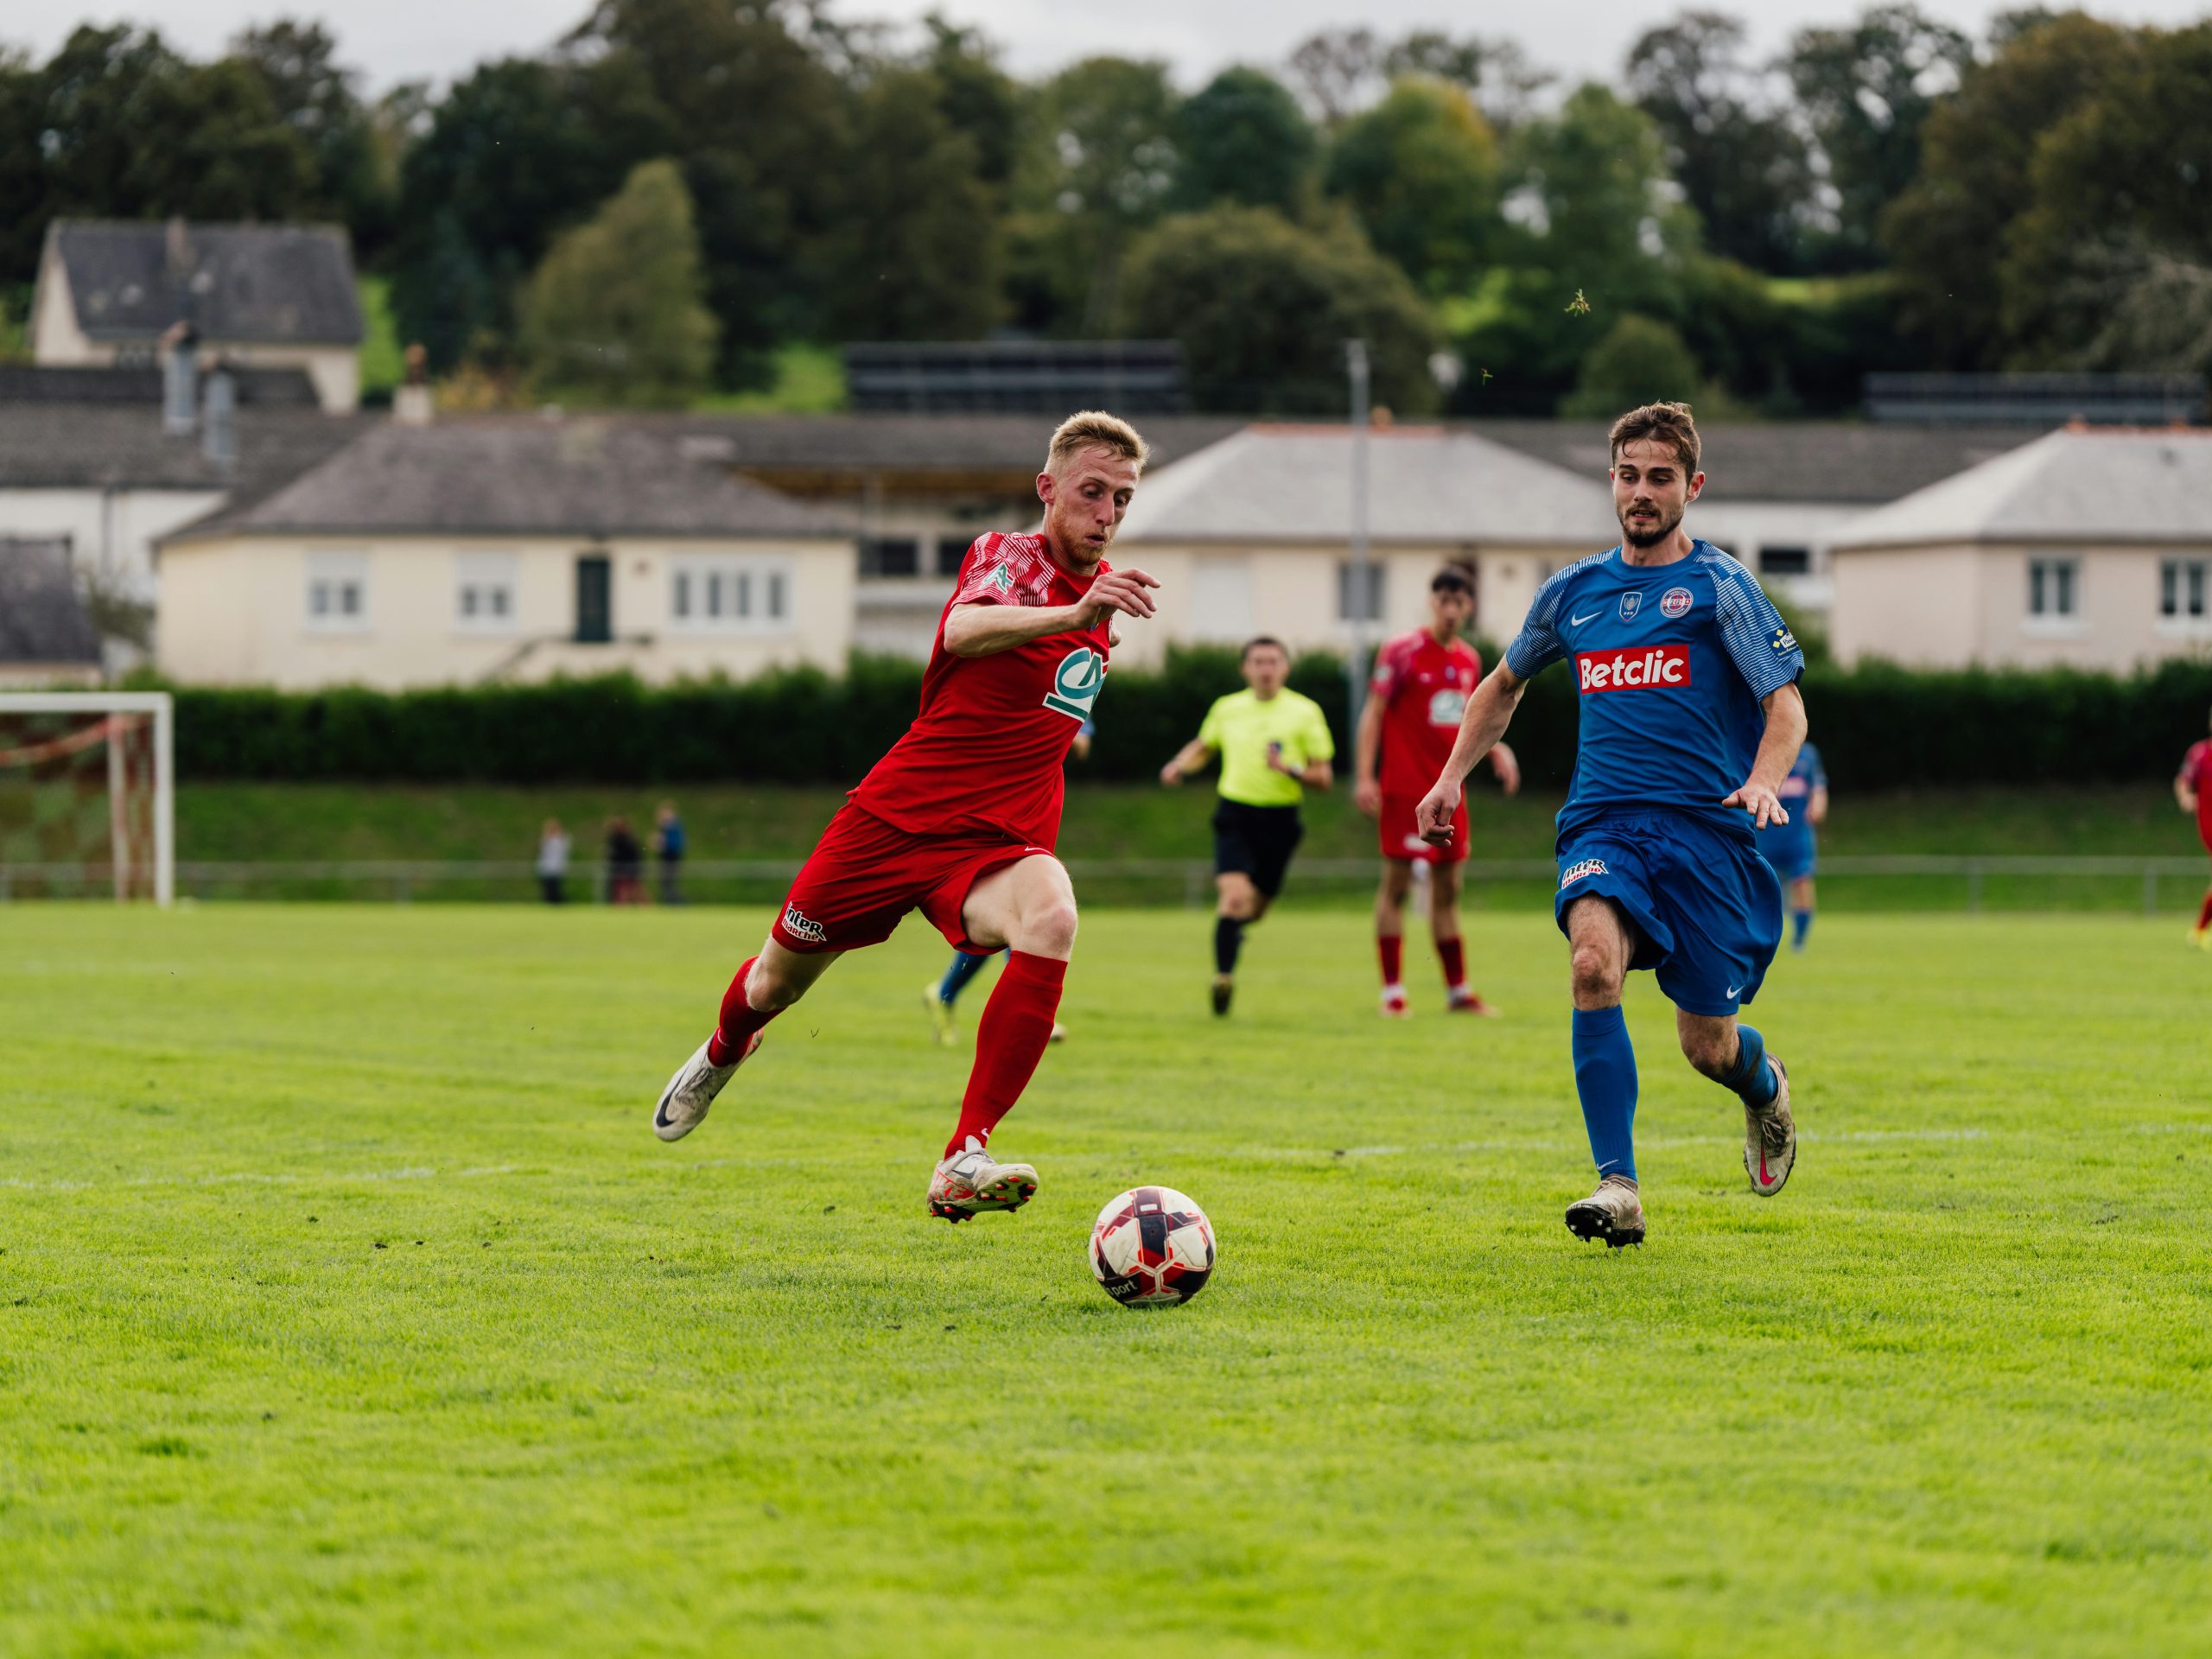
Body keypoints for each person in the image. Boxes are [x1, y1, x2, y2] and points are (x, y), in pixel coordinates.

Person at [651, 412, 1160, 1224]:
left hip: (991, 845)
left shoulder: (1100, 608)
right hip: (893, 822)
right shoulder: (1009, 558)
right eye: (1092, 493)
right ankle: (724, 1051)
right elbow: (963, 627)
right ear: (1048, 490)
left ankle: (964, 1156)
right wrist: (1072, 616)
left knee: (1054, 914)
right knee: (772, 984)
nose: (1106, 515)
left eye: (1122, 501)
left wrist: (1085, 625)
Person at [1416, 401, 1808, 1249]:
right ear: (1612, 480)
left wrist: (1763, 781)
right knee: (1591, 965)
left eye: (1659, 477)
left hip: (1705, 838)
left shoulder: (1719, 588)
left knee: (1707, 1046)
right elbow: (1502, 685)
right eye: (1628, 475)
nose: (1640, 491)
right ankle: (1617, 1186)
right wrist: (1452, 775)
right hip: (1602, 825)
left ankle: (1762, 1085)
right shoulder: (1574, 593)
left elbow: (1785, 707)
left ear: (1691, 487)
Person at [1354, 565, 1522, 1016]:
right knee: (1398, 885)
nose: (1451, 609)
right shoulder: (1401, 652)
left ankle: (1458, 992)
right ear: (1432, 602)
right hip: (1405, 788)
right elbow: (1373, 714)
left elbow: (1469, 722)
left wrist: (1495, 751)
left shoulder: (1468, 659)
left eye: (1459, 602)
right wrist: (1365, 775)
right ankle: (1392, 992)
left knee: (1449, 891)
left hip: (1450, 791)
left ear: (1469, 607)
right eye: (1443, 600)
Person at [1160, 638, 1336, 1016]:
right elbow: (1204, 746)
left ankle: (1234, 934)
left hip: (1281, 820)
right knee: (1233, 899)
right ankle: (1223, 978)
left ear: (1285, 667)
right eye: (1258, 661)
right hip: (1235, 814)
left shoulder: (1305, 712)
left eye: (1273, 661)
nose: (1266, 668)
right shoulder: (1227, 708)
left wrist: (1290, 769)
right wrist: (1179, 764)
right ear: (1245, 669)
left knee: (1253, 911)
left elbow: (1324, 777)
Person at [925, 719, 1090, 1046]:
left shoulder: (1067, 685)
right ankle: (1030, 1013)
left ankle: (943, 993)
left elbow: (1082, 746)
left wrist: (1049, 728)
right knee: (1015, 915)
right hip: (990, 806)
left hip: (1032, 807)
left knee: (1007, 921)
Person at [1759, 743, 1827, 951]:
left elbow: (1818, 787)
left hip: (1797, 834)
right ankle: (1761, 938)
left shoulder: (1807, 753)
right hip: (1765, 833)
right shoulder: (1759, 747)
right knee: (1761, 887)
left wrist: (1818, 804)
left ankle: (1799, 939)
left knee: (1802, 882)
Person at [2176, 708, 2212, 947]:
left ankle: (2198, 932)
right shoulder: (2200, 754)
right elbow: (2183, 782)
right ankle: (2199, 930)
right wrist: (2185, 798)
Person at [604, 817, 645, 906]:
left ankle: (638, 905)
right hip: (622, 868)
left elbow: (633, 853)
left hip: (627, 867)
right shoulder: (619, 838)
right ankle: (624, 905)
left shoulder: (625, 839)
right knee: (624, 889)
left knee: (628, 889)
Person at [654, 801, 687, 906]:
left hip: (672, 856)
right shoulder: (667, 827)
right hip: (667, 857)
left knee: (670, 881)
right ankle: (671, 902)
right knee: (666, 882)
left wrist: (660, 842)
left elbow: (673, 843)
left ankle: (676, 902)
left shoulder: (673, 825)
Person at [536, 818, 569, 905]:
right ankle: (550, 903)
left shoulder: (561, 840)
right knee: (548, 889)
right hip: (547, 867)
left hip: (556, 867)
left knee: (555, 888)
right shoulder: (547, 840)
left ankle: (557, 904)